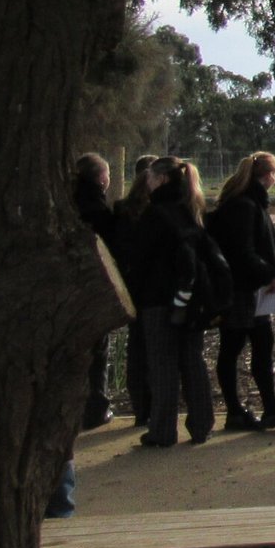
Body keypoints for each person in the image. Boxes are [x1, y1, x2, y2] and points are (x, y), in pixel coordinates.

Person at [127, 157, 220, 447]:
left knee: (162, 365)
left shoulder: (154, 215)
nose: (147, 182)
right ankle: (202, 424)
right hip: (191, 299)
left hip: (158, 299)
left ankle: (163, 430)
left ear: (162, 179)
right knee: (193, 361)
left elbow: (139, 260)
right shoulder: (191, 211)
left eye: (150, 178)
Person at [207, 152, 275, 431]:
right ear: (269, 176)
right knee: (243, 347)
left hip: (244, 288)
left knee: (241, 347)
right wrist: (268, 274)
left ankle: (251, 409)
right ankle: (249, 409)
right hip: (245, 290)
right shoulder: (247, 207)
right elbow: (243, 251)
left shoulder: (240, 202)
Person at [73, 152, 119, 429]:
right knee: (98, 351)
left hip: (70, 289)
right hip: (94, 287)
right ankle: (96, 407)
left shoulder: (68, 206)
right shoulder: (100, 212)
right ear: (102, 178)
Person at [114, 154, 160, 425]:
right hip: (155, 287)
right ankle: (156, 406)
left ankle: (141, 408)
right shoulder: (159, 211)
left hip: (133, 285)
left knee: (137, 347)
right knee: (157, 348)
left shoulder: (122, 209)